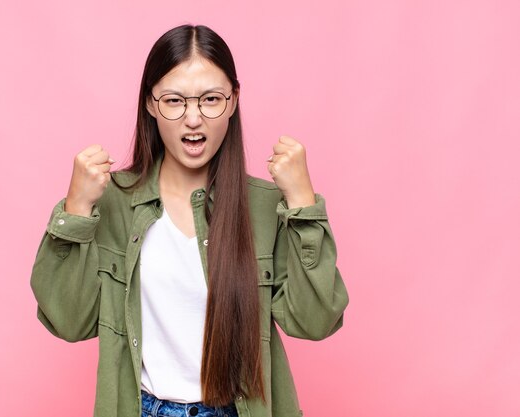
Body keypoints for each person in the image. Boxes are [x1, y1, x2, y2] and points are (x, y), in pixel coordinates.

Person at [30, 24, 349, 417]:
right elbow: (68, 322)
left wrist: (302, 203)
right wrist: (76, 210)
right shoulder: (111, 203)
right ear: (150, 103)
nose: (193, 118)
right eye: (175, 100)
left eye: (211, 99)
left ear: (233, 101)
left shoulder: (265, 207)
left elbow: (316, 322)